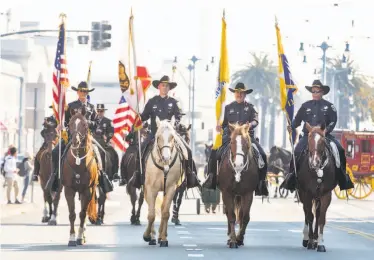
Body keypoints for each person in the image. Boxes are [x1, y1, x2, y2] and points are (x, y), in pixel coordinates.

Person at [280, 79, 354, 191]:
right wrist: (292, 126)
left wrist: (326, 131)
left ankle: (343, 178)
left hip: (325, 135)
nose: (315, 93)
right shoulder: (305, 106)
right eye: (313, 91)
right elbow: (298, 120)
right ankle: (291, 177)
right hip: (308, 136)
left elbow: (333, 121)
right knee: (296, 152)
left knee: (340, 150)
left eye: (317, 91)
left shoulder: (330, 106)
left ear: (322, 92)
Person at [130, 75, 200, 189]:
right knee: (140, 151)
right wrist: (138, 117)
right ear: (159, 86)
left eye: (167, 86)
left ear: (169, 88)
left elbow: (178, 117)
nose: (165, 87)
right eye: (163, 85)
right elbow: (144, 116)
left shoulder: (174, 102)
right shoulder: (152, 102)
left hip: (171, 134)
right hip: (155, 134)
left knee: (188, 150)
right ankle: (138, 176)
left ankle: (191, 176)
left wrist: (175, 124)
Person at [202, 82, 269, 196]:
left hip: (247, 138)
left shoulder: (251, 108)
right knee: (214, 153)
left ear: (245, 94)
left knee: (262, 155)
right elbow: (223, 124)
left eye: (242, 92)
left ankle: (261, 183)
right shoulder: (228, 108)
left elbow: (255, 120)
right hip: (230, 138)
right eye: (237, 92)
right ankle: (212, 178)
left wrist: (250, 125)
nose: (239, 94)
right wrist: (219, 126)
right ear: (234, 94)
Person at [45, 81, 98, 193]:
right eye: (81, 91)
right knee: (55, 153)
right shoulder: (71, 106)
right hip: (71, 137)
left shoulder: (92, 107)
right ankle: (55, 177)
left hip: (87, 139)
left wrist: (88, 123)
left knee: (102, 153)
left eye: (85, 91)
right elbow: (65, 120)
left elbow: (96, 123)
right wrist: (61, 124)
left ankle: (102, 179)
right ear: (77, 92)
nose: (83, 93)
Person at [33, 106, 57, 181]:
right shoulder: (49, 119)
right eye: (53, 108)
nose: (55, 109)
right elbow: (43, 132)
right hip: (48, 141)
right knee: (37, 156)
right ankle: (35, 174)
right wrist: (47, 138)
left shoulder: (62, 118)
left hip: (59, 140)